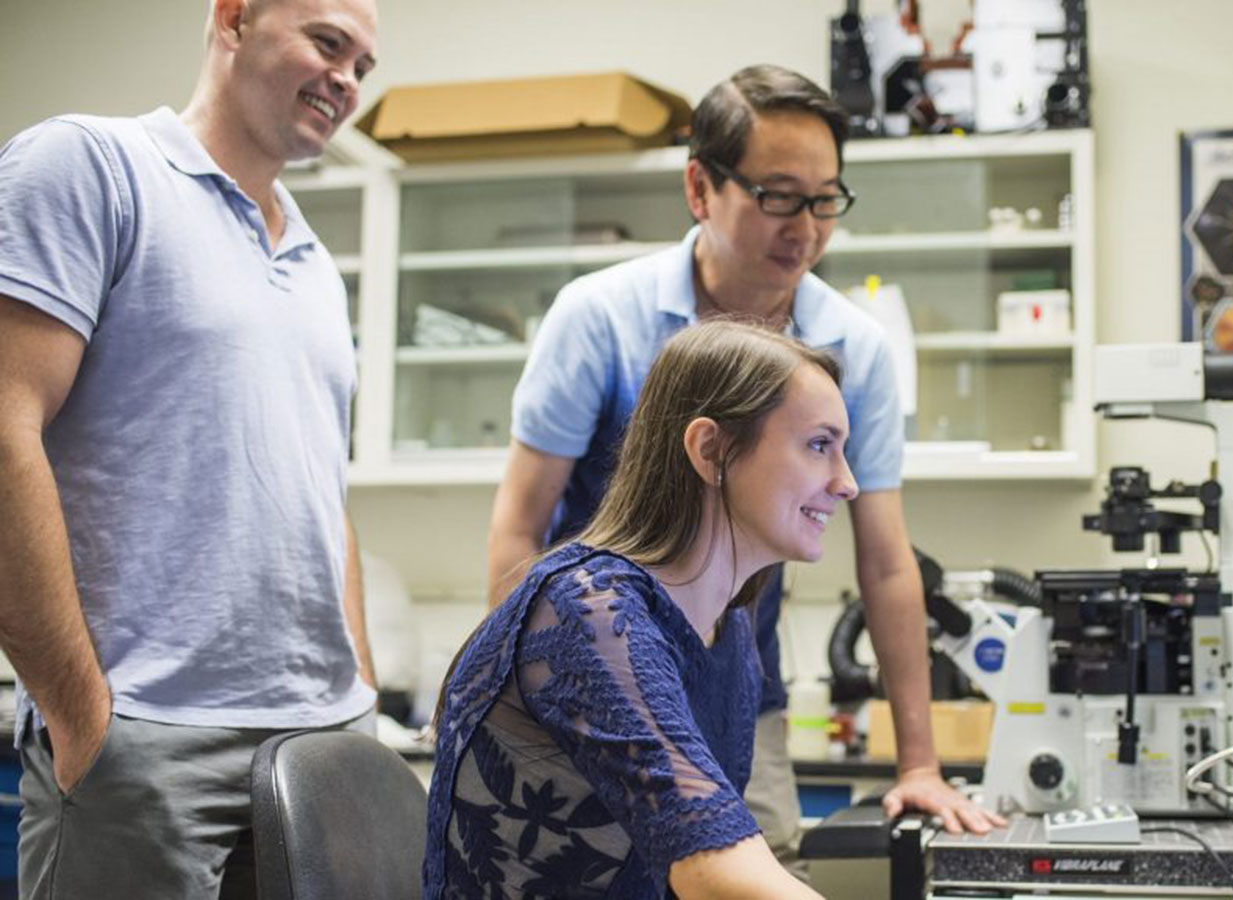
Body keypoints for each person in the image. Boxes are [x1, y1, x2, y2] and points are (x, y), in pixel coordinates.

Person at [485, 63, 1003, 873]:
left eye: (826, 198)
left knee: (756, 868)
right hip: (587, 684)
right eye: (777, 194)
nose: (805, 226)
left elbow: (885, 558)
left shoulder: (851, 347)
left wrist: (919, 765)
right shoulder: (601, 320)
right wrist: (516, 704)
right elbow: (521, 524)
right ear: (701, 188)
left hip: (738, 693)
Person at [0, 0, 379, 895]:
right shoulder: (92, 167)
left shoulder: (316, 262)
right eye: (329, 44)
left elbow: (324, 492)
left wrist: (357, 682)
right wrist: (83, 718)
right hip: (146, 739)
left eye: (365, 65)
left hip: (323, 739)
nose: (349, 82)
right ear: (235, 17)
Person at [429, 321, 855, 899]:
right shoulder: (587, 611)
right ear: (711, 450)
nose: (847, 483)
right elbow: (714, 874)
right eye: (818, 445)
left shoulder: (728, 632)